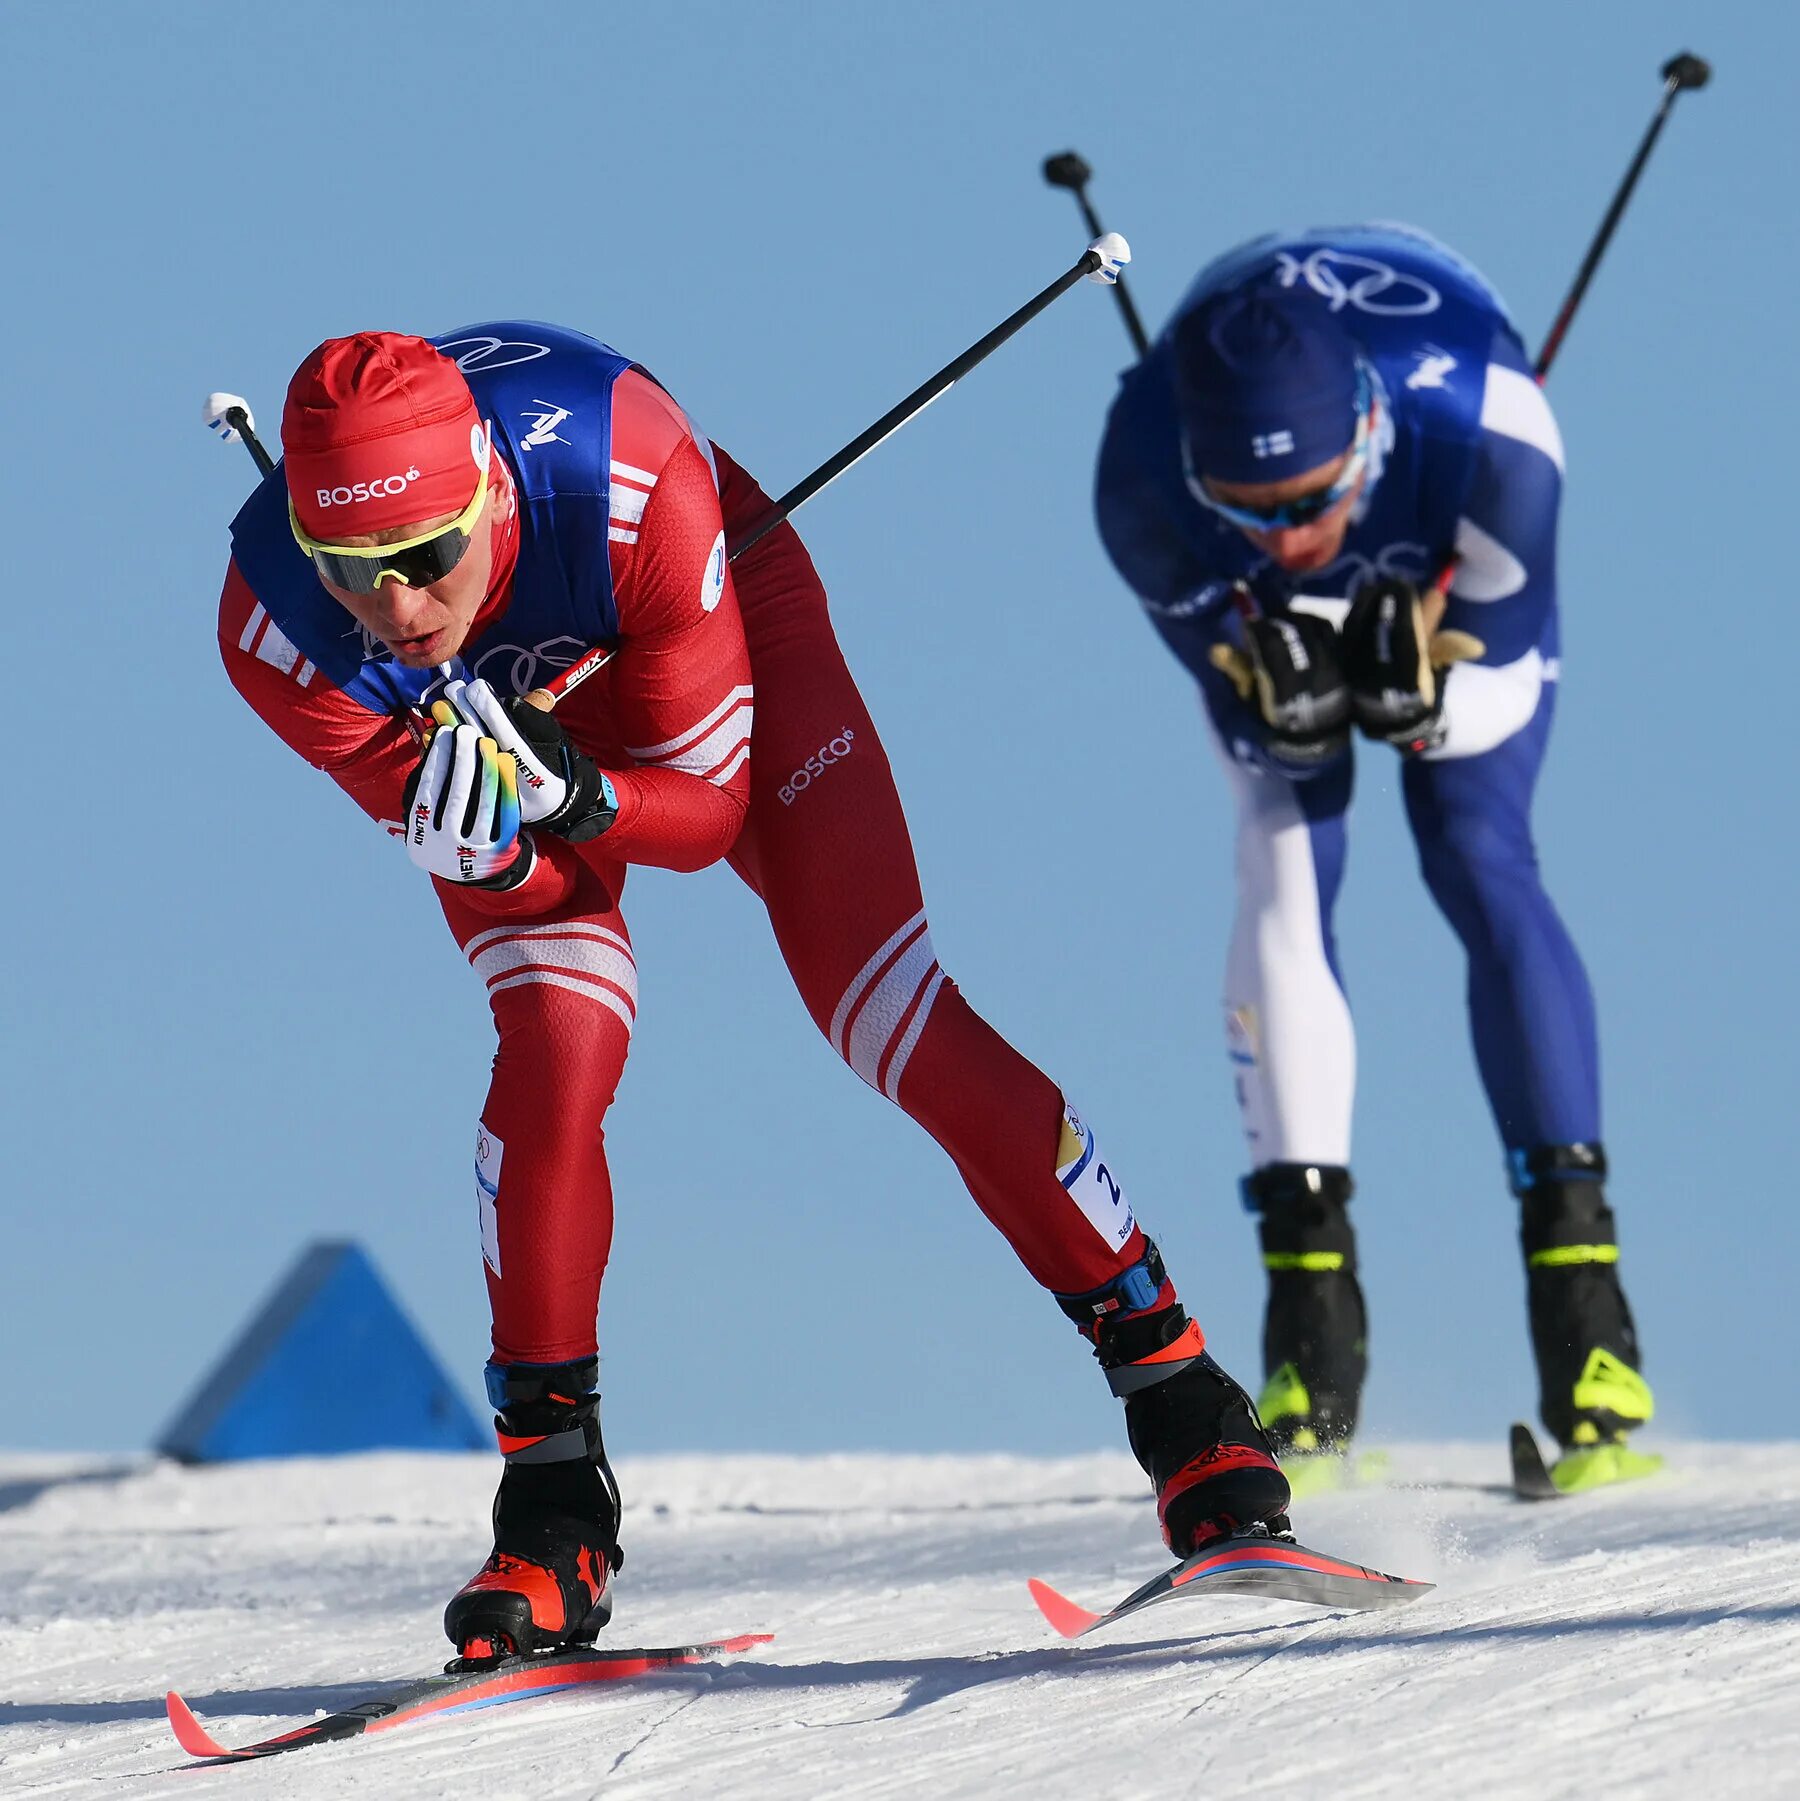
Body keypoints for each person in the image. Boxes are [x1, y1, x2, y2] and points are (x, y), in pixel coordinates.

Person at [219, 324, 1288, 1660]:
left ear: (489, 490)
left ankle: (1183, 1396)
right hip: (519, 734)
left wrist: (578, 793)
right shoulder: (273, 622)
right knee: (556, 1038)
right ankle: (552, 1508)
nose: (396, 608)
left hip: (696, 635)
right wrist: (481, 832)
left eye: (426, 558)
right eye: (352, 570)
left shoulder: (631, 478)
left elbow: (707, 813)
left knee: (884, 1006)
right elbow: (438, 814)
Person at [1092, 224, 1654, 1485]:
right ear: (1198, 475)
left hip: (1452, 551)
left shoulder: (1498, 432)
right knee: (1286, 838)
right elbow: (1241, 689)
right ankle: (1310, 1347)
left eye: (1313, 501)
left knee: (1474, 844)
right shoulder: (1136, 480)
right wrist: (1266, 680)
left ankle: (1588, 1331)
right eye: (1251, 511)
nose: (1290, 540)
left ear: (1369, 432)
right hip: (1312, 579)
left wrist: (1422, 693)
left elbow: (1491, 677)